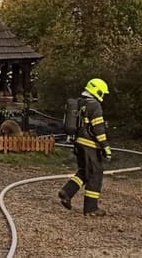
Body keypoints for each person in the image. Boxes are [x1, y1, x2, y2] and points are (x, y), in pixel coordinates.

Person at [57, 78, 111, 216]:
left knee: (84, 171)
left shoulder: (80, 103)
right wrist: (105, 147)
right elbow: (98, 129)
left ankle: (67, 192)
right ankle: (91, 208)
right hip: (90, 145)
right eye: (102, 93)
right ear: (97, 91)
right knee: (95, 173)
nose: (103, 96)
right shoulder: (95, 106)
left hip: (78, 143)